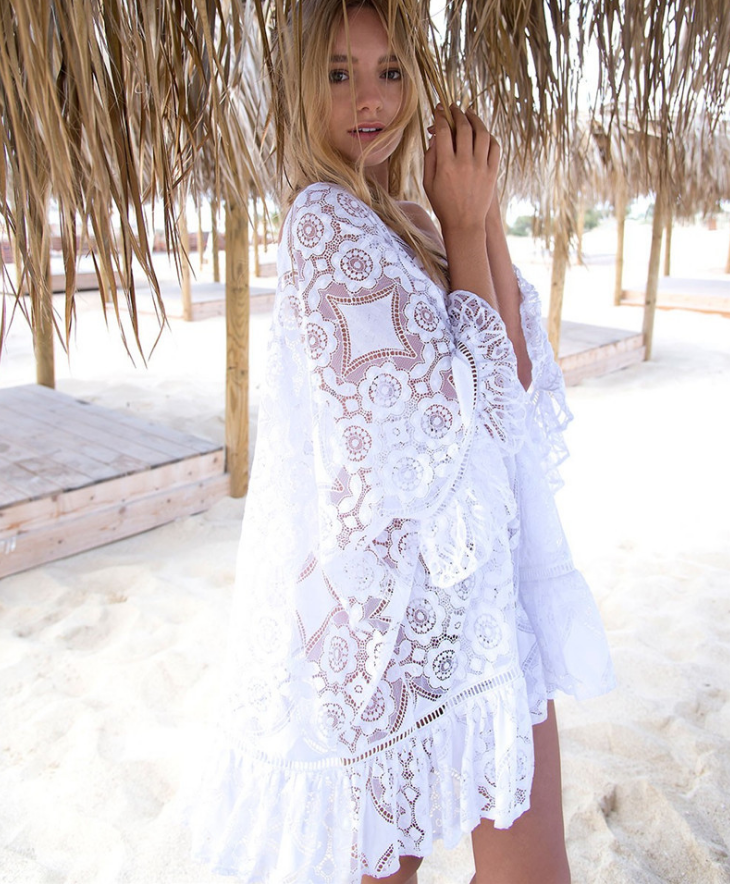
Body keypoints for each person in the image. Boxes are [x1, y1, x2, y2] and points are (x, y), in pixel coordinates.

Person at [185, 2, 614, 882]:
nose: (368, 99)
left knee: (531, 866)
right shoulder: (322, 224)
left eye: (388, 71)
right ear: (302, 88)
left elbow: (515, 383)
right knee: (391, 869)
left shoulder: (408, 219)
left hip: (480, 598)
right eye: (338, 73)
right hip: (391, 621)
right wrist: (461, 226)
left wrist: (479, 216)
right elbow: (450, 427)